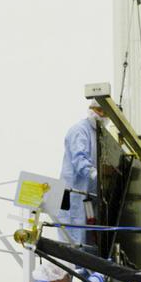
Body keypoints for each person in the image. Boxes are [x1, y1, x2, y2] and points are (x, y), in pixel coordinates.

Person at [58, 104, 106, 243]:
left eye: (105, 112)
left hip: (87, 196)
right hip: (72, 194)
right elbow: (80, 159)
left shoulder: (97, 134)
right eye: (100, 110)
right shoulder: (80, 130)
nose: (103, 116)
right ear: (92, 109)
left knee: (87, 239)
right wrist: (98, 177)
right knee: (73, 238)